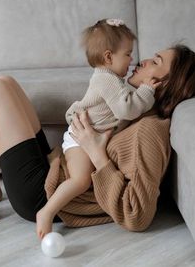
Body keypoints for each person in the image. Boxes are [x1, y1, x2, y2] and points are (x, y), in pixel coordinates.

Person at [0, 44, 195, 240]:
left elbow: (137, 215)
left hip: (44, 195)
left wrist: (96, 153)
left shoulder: (150, 131)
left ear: (164, 83)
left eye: (155, 62)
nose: (143, 61)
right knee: (6, 82)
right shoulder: (137, 110)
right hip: (54, 170)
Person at [36, 18, 161, 239]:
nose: (133, 60)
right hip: (79, 138)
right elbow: (127, 109)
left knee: (83, 178)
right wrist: (146, 91)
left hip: (88, 135)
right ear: (108, 57)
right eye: (128, 54)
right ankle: (46, 212)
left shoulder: (113, 78)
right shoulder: (106, 79)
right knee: (80, 180)